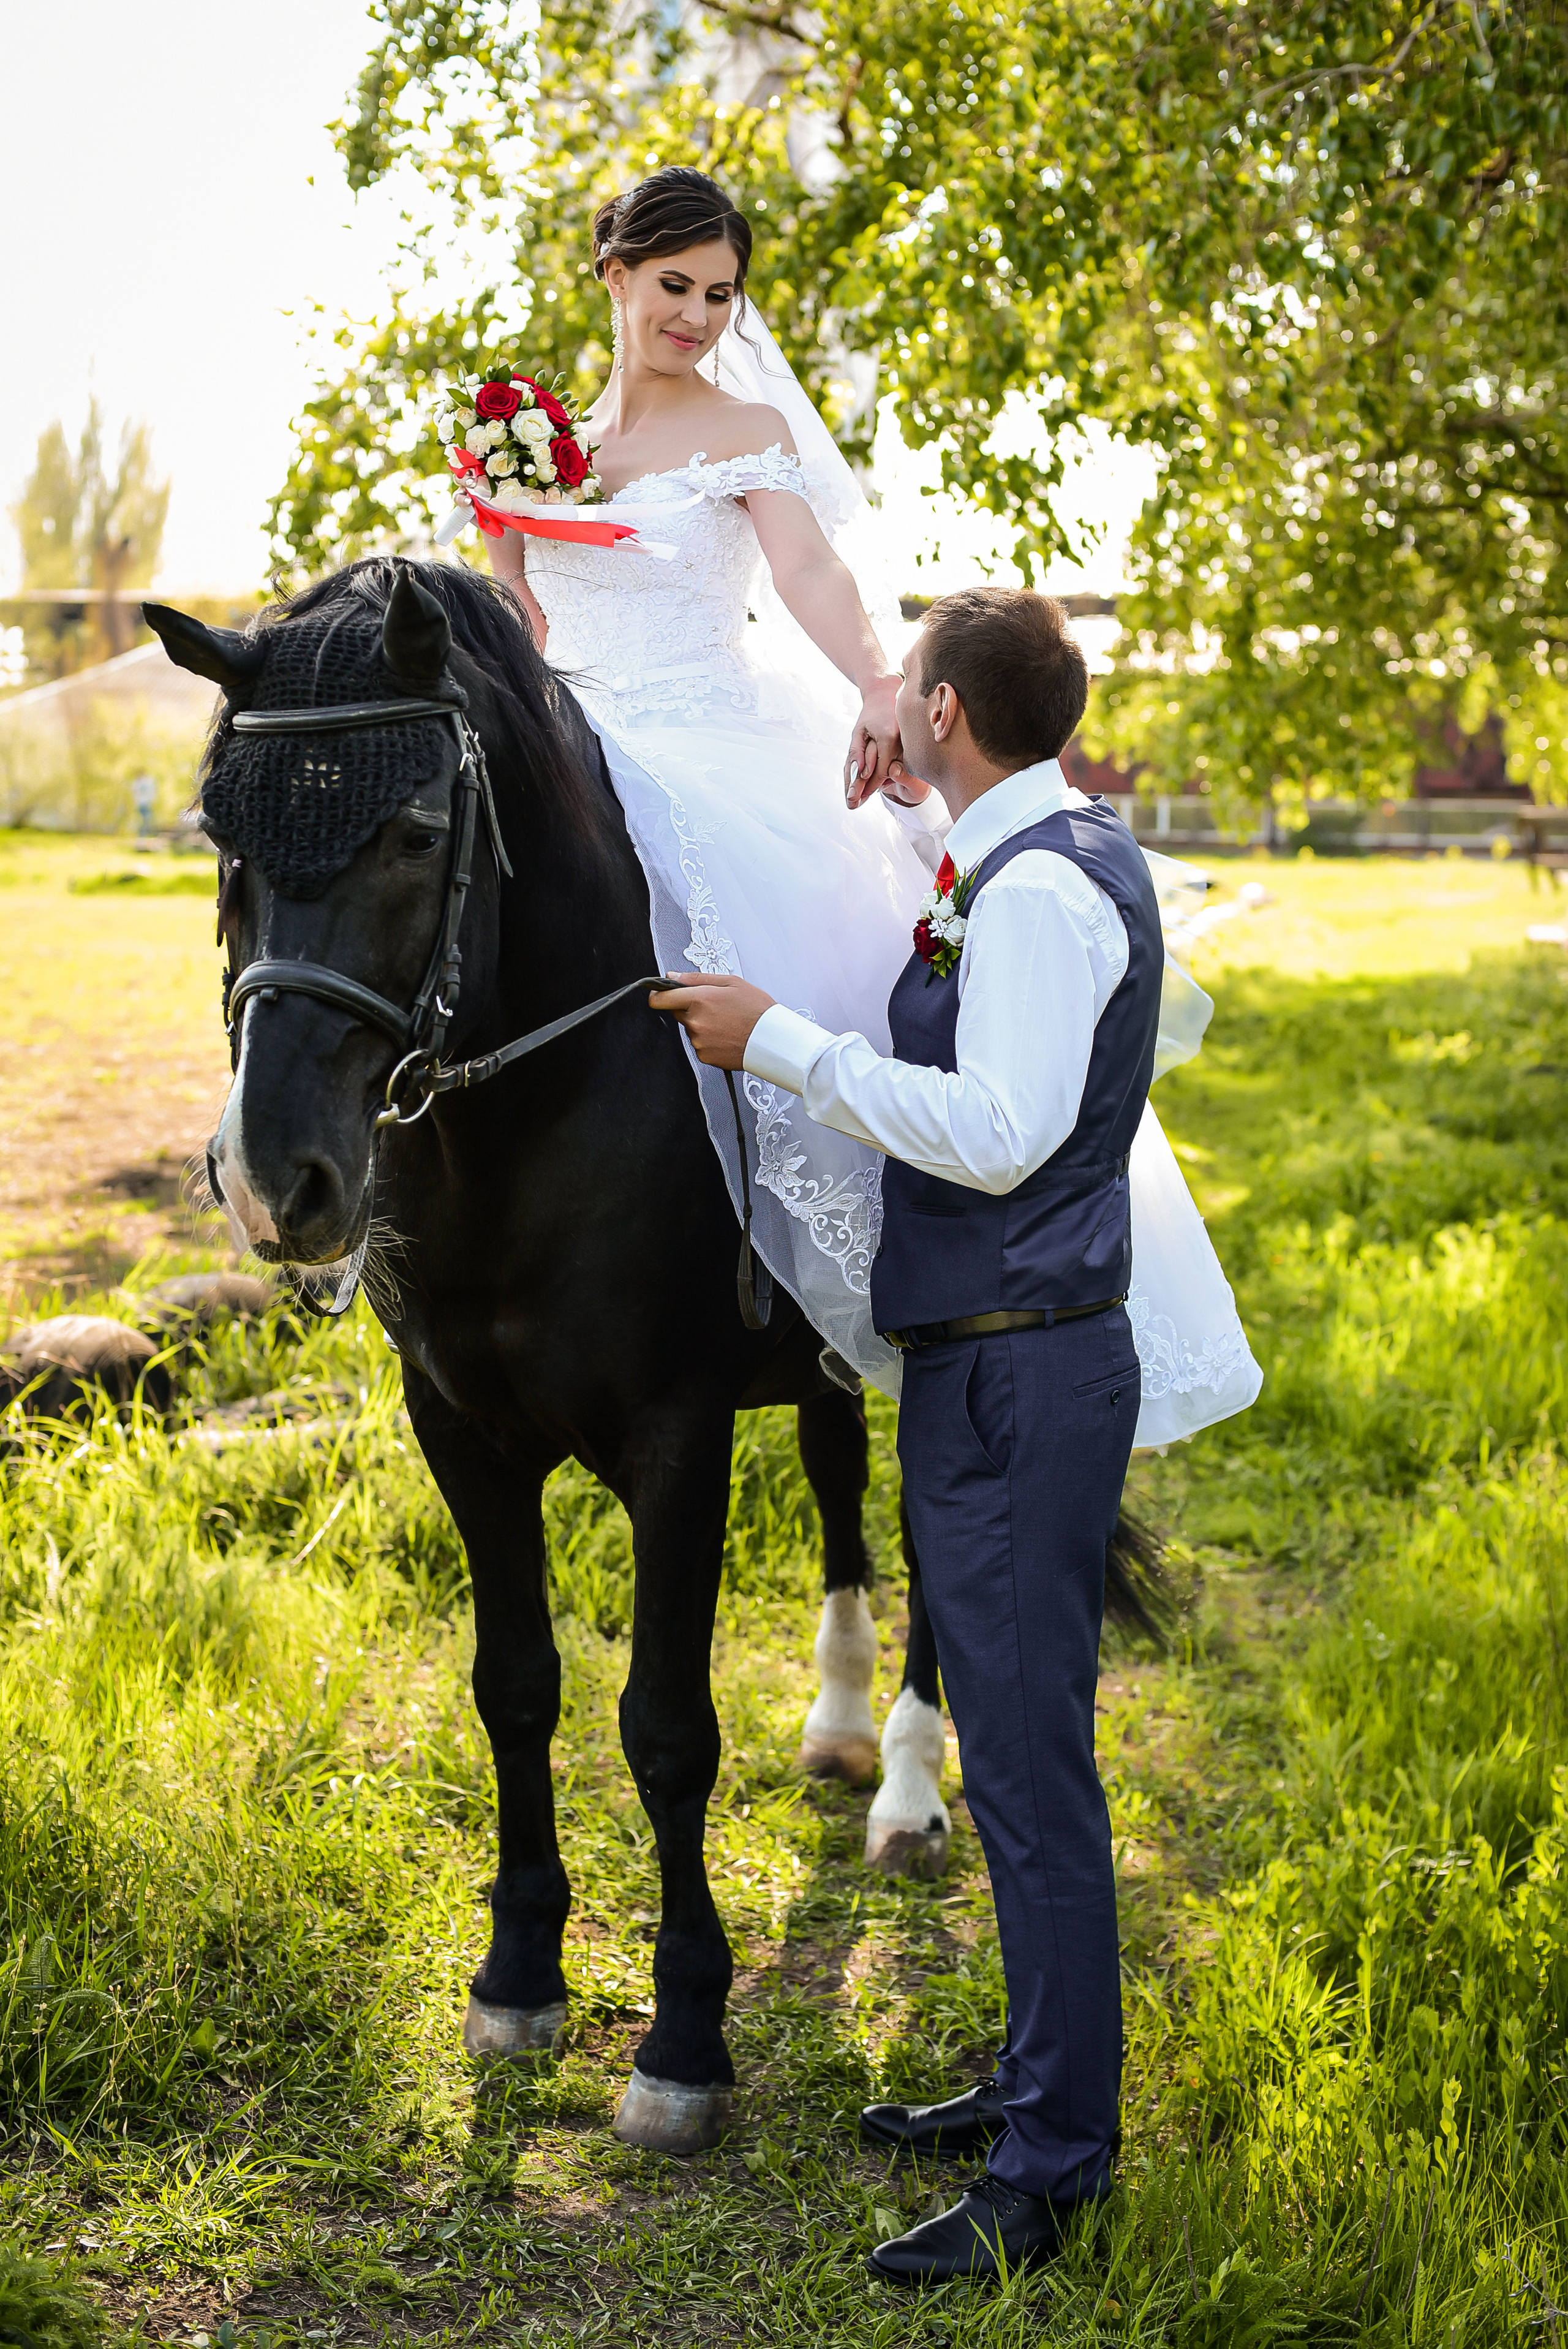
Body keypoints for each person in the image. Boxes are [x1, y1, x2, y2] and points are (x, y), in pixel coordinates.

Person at [479, 164, 1261, 1445]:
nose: (697, 316)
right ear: (613, 275)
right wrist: (504, 550)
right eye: (674, 285)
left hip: (712, 738)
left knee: (826, 952)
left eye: (721, 295)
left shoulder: (742, 430)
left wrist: (876, 682)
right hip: (578, 733)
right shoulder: (536, 449)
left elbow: (807, 572)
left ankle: (850, 1267)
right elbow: (524, 627)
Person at [651, 585, 1159, 2283]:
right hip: (992, 1356)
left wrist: (781, 1046)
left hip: (1023, 1371)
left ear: (944, 710)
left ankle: (1053, 2170)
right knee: (1014, 1767)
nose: (883, 708)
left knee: (1029, 1779)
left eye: (904, 688)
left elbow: (1005, 1131)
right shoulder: (1025, 856)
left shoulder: (1037, 892)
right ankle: (1031, 2085)